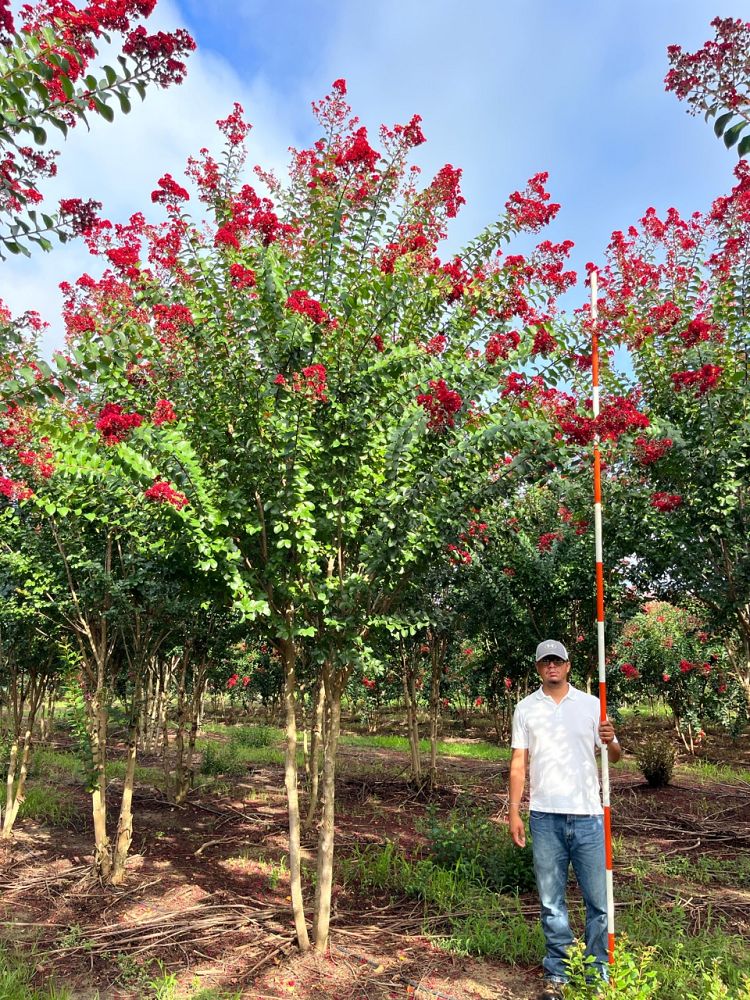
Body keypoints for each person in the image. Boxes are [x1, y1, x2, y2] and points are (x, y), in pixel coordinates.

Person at [508, 639, 620, 1000]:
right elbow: (518, 763)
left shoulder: (591, 705)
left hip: (588, 816)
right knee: (551, 900)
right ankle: (557, 973)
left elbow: (614, 756)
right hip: (545, 817)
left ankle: (596, 974)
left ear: (568, 665)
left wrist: (612, 739)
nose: (551, 667)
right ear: (538, 668)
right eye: (545, 662)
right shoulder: (526, 709)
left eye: (558, 661)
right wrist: (513, 810)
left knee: (598, 902)